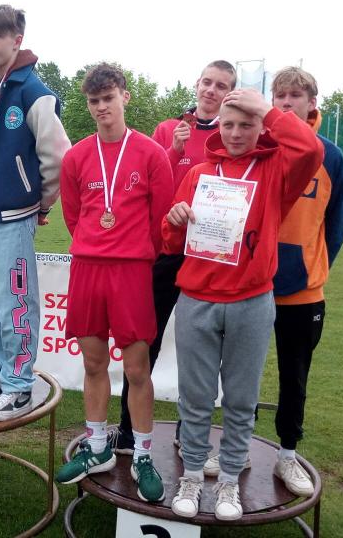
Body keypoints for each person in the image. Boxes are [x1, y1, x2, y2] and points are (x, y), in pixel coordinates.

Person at [163, 89, 323, 520]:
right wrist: (174, 220)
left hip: (251, 302)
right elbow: (171, 240)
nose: (235, 133)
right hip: (197, 299)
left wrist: (267, 109)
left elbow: (310, 148)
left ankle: (230, 481)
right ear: (219, 125)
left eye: (246, 125)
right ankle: (192, 475)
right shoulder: (199, 172)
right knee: (195, 397)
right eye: (229, 124)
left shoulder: (275, 170)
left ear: (261, 127)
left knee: (240, 398)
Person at [55, 64, 173, 502]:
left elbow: (162, 221)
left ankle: (141, 453)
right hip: (88, 268)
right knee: (93, 363)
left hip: (131, 271)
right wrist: (96, 244)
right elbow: (73, 216)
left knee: (138, 368)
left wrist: (130, 250)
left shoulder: (151, 154)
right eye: (94, 101)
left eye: (108, 98)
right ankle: (98, 447)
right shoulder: (76, 157)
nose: (101, 107)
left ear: (124, 96)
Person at [112, 60, 237, 454]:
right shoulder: (169, 129)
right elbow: (143, 181)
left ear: (229, 94)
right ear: (197, 84)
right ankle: (127, 430)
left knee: (201, 348)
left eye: (221, 86)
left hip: (208, 257)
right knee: (143, 342)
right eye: (207, 82)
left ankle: (190, 432)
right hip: (164, 252)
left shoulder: (232, 136)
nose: (211, 90)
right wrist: (174, 149)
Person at [0, 4, 71, 421]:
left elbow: (57, 157)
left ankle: (20, 385)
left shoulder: (33, 92)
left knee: (16, 302)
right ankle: (0, 374)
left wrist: (41, 202)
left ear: (17, 40)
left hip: (14, 213)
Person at [269, 67, 343, 495]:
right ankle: (231, 448)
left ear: (311, 103)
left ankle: (287, 455)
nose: (286, 103)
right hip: (251, 286)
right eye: (279, 96)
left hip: (302, 293)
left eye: (295, 96)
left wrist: (310, 267)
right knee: (235, 375)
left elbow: (336, 225)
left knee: (294, 377)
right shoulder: (260, 145)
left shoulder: (330, 155)